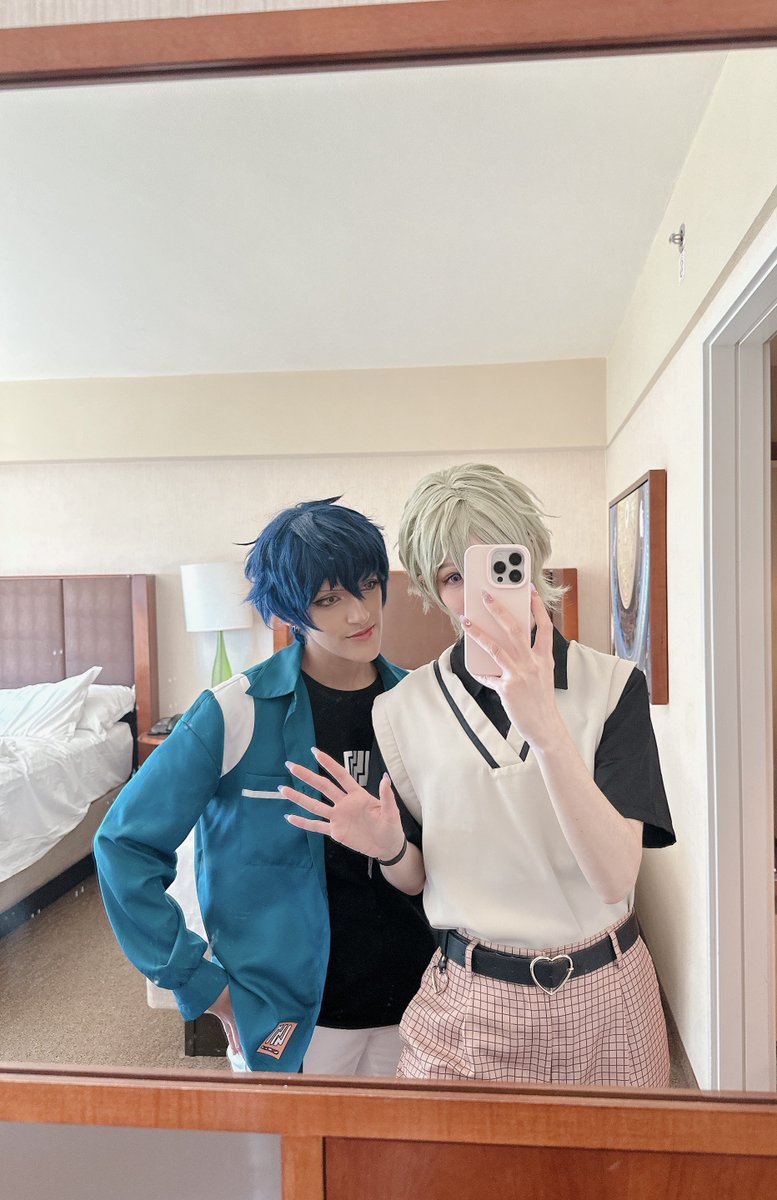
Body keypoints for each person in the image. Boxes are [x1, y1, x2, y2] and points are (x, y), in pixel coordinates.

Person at [282, 464, 676, 1086]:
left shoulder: (612, 687)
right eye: (453, 577)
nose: (478, 593)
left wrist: (546, 729)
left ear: (532, 559)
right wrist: (390, 849)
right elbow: (418, 878)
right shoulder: (401, 709)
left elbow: (614, 877)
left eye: (499, 565)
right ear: (434, 591)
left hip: (607, 993)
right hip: (470, 999)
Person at [94, 497, 435, 1076]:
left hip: (421, 1001)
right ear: (289, 609)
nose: (359, 613)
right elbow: (123, 846)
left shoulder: (422, 704)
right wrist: (200, 981)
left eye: (369, 585)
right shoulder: (234, 711)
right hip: (290, 1015)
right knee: (287, 1140)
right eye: (328, 599)